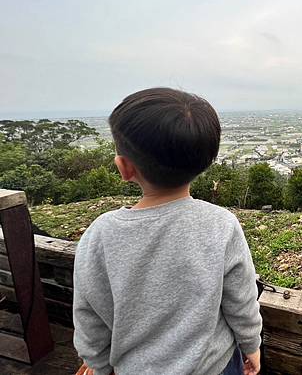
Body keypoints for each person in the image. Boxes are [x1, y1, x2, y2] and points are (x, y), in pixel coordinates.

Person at [73, 88, 262, 375]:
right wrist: (251, 345)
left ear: (124, 168)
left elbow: (90, 314)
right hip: (215, 367)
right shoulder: (221, 224)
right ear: (206, 163)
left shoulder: (100, 234)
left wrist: (98, 365)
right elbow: (241, 300)